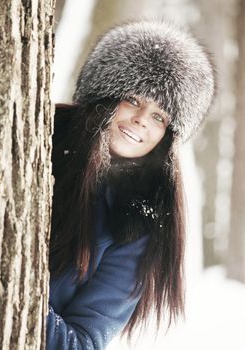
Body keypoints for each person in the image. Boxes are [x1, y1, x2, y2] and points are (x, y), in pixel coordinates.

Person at [46, 20, 215, 349]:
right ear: (105, 96)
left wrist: (12, 291)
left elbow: (81, 342)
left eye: (159, 116)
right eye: (134, 100)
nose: (141, 120)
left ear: (168, 136)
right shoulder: (40, 137)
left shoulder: (137, 223)